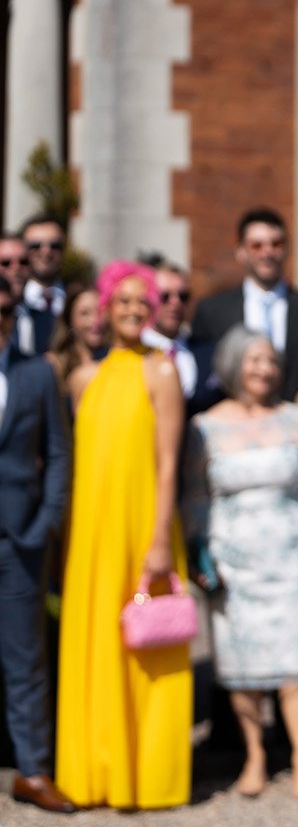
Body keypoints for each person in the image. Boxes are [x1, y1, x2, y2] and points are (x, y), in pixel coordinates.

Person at [183, 325, 298, 801]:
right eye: (254, 360)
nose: (264, 369)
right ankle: (254, 754)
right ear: (234, 365)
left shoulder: (296, 419)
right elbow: (195, 499)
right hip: (233, 561)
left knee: (297, 664)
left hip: (290, 556)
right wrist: (199, 556)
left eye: (271, 361)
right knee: (241, 668)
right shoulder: (205, 426)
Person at [55, 261, 193, 810]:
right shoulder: (83, 379)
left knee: (146, 650)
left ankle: (147, 776)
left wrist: (158, 540)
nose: (134, 309)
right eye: (124, 300)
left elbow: (168, 463)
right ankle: (96, 772)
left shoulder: (162, 370)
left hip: (143, 527)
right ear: (106, 309)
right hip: (93, 533)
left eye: (143, 301)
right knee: (96, 646)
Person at [0, 277, 75, 813]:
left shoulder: (37, 373)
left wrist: (45, 522)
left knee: (26, 662)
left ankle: (32, 770)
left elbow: (59, 451)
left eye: (4, 310)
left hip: (19, 540)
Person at [190, 207, 298, 401]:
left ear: (286, 249)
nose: (267, 252)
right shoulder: (212, 311)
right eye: (257, 246)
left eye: (276, 244)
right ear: (241, 252)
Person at [140, 257, 200, 405]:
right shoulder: (133, 351)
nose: (175, 302)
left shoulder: (204, 350)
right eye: (164, 296)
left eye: (183, 296)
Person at [18, 215, 66, 357]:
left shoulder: (76, 300)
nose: (46, 252)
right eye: (35, 246)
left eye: (55, 245)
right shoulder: (10, 304)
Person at [45, 285, 104, 388]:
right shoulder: (54, 365)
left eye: (100, 312)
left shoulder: (114, 360)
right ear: (70, 320)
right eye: (84, 314)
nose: (95, 321)